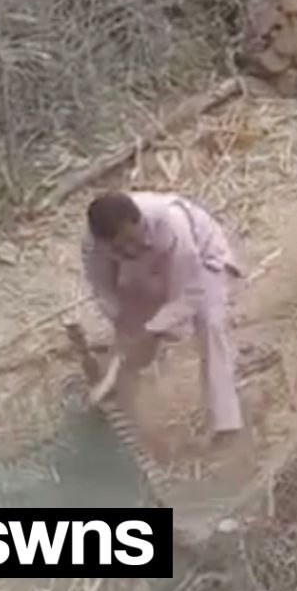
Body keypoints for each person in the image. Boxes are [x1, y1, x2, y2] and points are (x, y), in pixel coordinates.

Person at [82, 191, 244, 446]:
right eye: (117, 246)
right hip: (145, 269)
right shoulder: (95, 244)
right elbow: (103, 288)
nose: (126, 248)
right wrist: (122, 323)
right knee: (132, 335)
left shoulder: (172, 223)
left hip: (202, 260)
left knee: (209, 322)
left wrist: (152, 328)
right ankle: (120, 404)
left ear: (138, 222)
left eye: (129, 239)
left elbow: (188, 294)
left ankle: (225, 422)